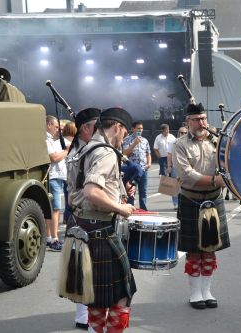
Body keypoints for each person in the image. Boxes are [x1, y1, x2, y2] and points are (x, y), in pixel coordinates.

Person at [69, 107, 137, 332]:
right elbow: (91, 192)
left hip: (82, 227)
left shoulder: (83, 148)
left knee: (97, 300)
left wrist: (118, 191)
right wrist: (120, 207)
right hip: (101, 230)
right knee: (123, 295)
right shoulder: (105, 152)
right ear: (117, 126)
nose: (124, 138)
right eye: (124, 133)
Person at [172, 103, 230, 310]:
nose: (201, 123)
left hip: (214, 199)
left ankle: (207, 290)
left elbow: (230, 160)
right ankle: (195, 292)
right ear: (187, 122)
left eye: (204, 118)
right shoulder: (180, 144)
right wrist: (215, 181)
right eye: (196, 119)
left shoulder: (218, 140)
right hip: (191, 199)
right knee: (194, 250)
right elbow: (187, 174)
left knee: (210, 248)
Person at [63, 107, 100, 330]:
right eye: (97, 126)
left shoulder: (91, 148)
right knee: (81, 266)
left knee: (91, 266)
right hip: (83, 212)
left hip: (92, 212)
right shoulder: (79, 152)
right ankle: (82, 314)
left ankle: (88, 312)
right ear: (85, 129)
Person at [45, 115, 69, 251]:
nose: (57, 130)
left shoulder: (52, 140)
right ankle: (54, 239)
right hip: (53, 177)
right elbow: (54, 157)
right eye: (55, 127)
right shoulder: (46, 140)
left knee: (51, 210)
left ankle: (49, 237)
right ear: (48, 124)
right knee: (55, 210)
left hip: (57, 177)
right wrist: (66, 151)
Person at [122, 121, 151, 211]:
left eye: (141, 128)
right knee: (131, 190)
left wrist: (149, 163)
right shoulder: (127, 140)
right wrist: (134, 144)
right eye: (138, 128)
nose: (140, 130)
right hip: (132, 170)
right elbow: (124, 153)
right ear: (133, 129)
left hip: (143, 169)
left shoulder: (145, 140)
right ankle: (130, 209)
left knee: (143, 191)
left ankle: (143, 210)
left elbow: (148, 153)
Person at [166, 126, 188, 210]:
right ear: (179, 133)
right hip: (175, 167)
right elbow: (169, 155)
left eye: (185, 133)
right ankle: (175, 203)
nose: (183, 134)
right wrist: (169, 166)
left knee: (185, 186)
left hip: (186, 167)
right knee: (175, 187)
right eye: (181, 132)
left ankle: (184, 203)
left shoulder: (189, 142)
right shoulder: (173, 142)